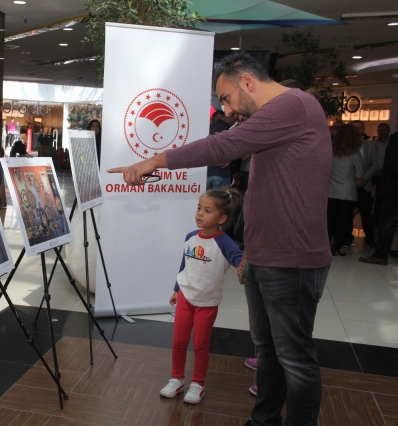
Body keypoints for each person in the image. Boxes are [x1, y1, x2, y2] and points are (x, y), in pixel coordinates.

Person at [109, 51, 332, 426]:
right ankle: (264, 421)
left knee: (294, 358)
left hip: (292, 259)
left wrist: (153, 160)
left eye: (226, 98)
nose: (226, 110)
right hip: (264, 256)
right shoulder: (275, 117)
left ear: (248, 82)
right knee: (269, 351)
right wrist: (249, 252)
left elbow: (220, 147)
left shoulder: (293, 105)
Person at [160, 188, 242, 404]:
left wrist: (245, 268)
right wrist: (177, 288)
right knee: (178, 341)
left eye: (207, 210)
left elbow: (240, 261)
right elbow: (184, 265)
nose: (199, 214)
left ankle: (198, 384)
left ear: (222, 218)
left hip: (207, 302)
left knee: (200, 345)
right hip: (186, 298)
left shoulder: (224, 243)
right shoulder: (190, 237)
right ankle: (177, 379)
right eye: (199, 208)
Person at [360, 123, 398, 266]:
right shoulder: (375, 144)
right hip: (387, 184)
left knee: (387, 222)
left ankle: (381, 255)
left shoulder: (394, 139)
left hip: (393, 188)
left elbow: (394, 163)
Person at [327, 124, 364, 256]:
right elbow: (360, 174)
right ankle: (338, 246)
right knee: (343, 221)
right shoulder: (354, 153)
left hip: (331, 191)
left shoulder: (331, 151)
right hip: (347, 192)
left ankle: (326, 246)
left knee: (330, 220)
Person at [345, 121, 378, 248]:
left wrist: (363, 178)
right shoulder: (345, 147)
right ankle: (347, 237)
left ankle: (370, 238)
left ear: (363, 130)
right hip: (349, 184)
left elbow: (375, 165)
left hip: (364, 184)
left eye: (358, 129)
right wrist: (353, 180)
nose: (356, 131)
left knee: (365, 213)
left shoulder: (369, 146)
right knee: (347, 213)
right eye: (353, 129)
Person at [206, 111, 238, 190]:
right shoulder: (226, 130)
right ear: (230, 117)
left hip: (207, 172)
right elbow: (232, 149)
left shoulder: (209, 127)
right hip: (221, 172)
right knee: (220, 201)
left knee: (208, 200)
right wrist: (230, 158)